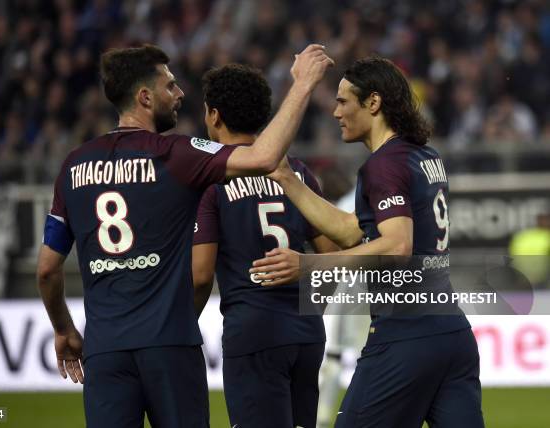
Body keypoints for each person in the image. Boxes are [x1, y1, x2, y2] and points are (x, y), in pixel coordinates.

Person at [36, 43, 333, 428]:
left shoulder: (73, 166)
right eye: (170, 86)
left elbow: (46, 270)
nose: (179, 95)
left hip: (106, 349)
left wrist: (63, 330)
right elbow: (262, 159)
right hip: (172, 345)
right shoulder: (178, 154)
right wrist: (303, 84)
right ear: (145, 96)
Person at [251, 56, 484, 428]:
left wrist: (307, 265)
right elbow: (353, 232)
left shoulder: (383, 165)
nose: (335, 111)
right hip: (452, 336)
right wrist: (287, 180)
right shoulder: (423, 155)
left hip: (404, 338)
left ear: (373, 103)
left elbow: (395, 245)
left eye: (343, 101)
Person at [191, 63, 339, 428]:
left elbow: (200, 275)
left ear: (214, 114)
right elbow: (335, 259)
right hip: (306, 332)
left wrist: (180, 326)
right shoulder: (298, 172)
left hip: (253, 331)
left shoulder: (210, 180)